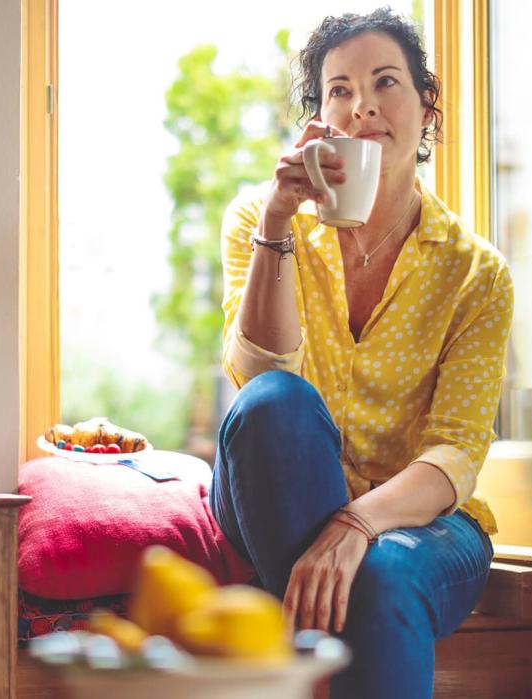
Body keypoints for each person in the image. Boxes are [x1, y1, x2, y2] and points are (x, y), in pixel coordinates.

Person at [208, 7, 514, 698]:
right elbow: (259, 381)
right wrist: (281, 222)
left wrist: (358, 521)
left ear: (426, 105)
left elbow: (455, 455)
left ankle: (313, 635)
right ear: (320, 120)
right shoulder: (258, 218)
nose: (362, 105)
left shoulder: (477, 274)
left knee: (385, 572)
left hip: (418, 521)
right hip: (270, 485)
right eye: (339, 90)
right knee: (276, 401)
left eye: (385, 83)